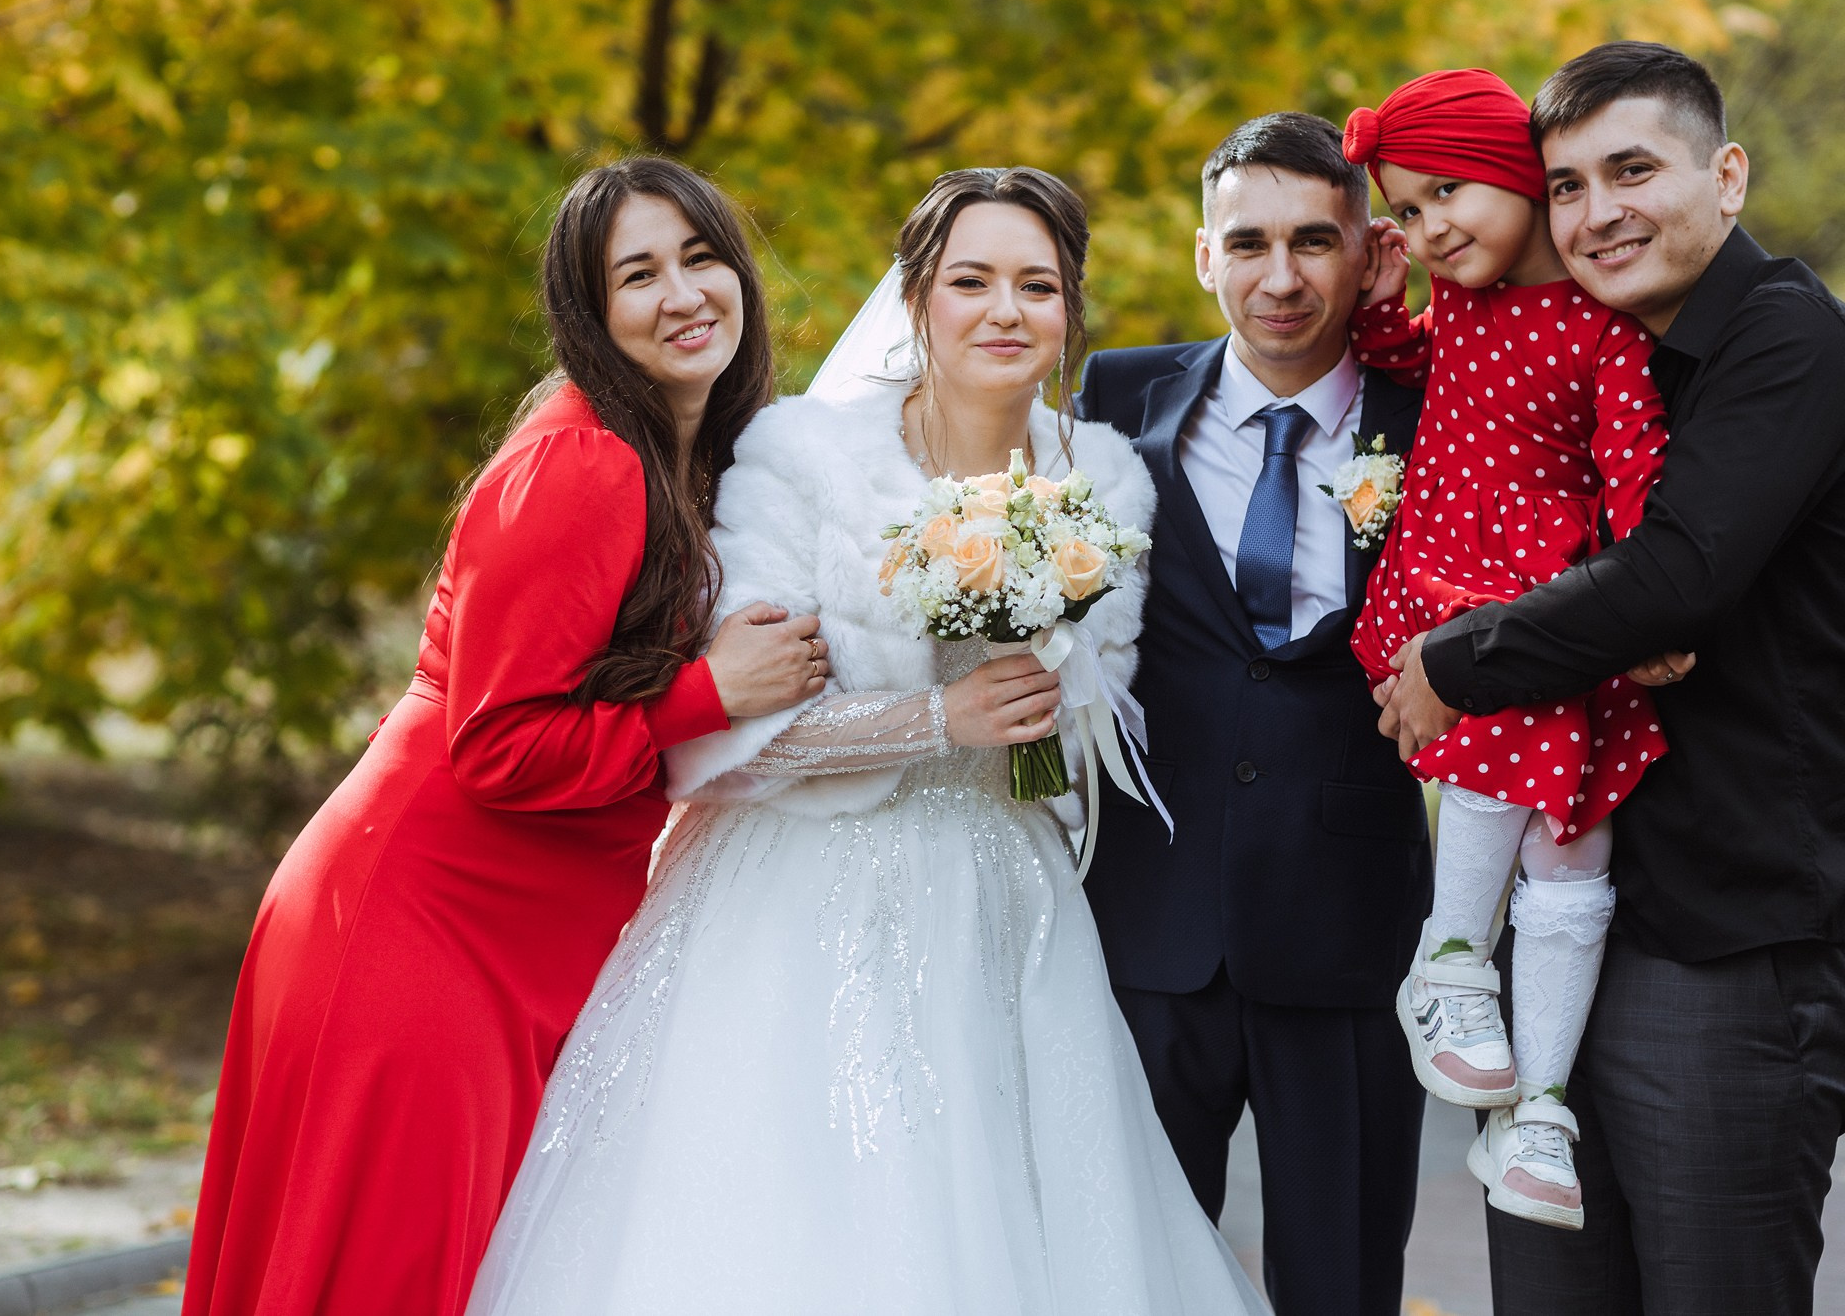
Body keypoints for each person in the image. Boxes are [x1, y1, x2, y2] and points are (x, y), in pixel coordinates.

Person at [468, 167, 1267, 1315]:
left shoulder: (1101, 478)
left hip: (1006, 896)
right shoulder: (802, 456)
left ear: (1068, 313)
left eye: (1037, 287)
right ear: (915, 300)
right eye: (971, 281)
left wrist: (1045, 694)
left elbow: (1087, 738)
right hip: (796, 898)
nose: (1005, 311)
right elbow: (722, 748)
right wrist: (933, 719)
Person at [183, 157, 827, 1316]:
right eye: (638, 274)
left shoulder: (682, 454)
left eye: (700, 258)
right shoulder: (582, 463)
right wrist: (708, 694)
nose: (682, 294)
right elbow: (499, 749)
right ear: (591, 311)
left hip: (502, 934)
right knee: (388, 1278)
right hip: (418, 928)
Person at [1376, 41, 1845, 1316]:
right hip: (1576, 926)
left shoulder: (1788, 342)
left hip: (1731, 943)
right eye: (1564, 185)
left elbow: (1673, 581)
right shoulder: (1590, 352)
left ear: (1724, 175)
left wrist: (1454, 659)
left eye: (1632, 170)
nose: (1597, 211)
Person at [1075, 113, 1430, 1316]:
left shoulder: (1431, 416)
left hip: (1347, 927)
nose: (1280, 278)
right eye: (1249, 243)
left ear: (1366, 251)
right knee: (1130, 1275)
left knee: (1342, 1277)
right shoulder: (1113, 400)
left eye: (1314, 242)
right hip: (1148, 918)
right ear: (1202, 256)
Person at [1337, 68, 1684, 1230]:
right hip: (1458, 593)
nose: (1434, 226)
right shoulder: (1459, 306)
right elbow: (1407, 365)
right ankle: (1445, 962)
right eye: (1408, 209)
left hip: (1559, 606)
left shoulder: (1603, 326)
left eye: (1451, 193)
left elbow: (1637, 461)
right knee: (1504, 759)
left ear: (1519, 176)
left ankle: (1536, 1110)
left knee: (1575, 846)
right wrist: (1385, 305)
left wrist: (1648, 605)